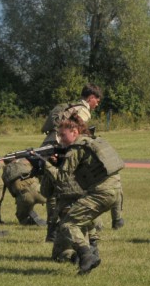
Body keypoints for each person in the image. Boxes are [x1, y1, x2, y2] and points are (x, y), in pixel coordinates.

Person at [40, 83, 125, 242]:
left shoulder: (70, 106)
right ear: (91, 98)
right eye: (97, 100)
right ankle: (89, 230)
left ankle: (53, 230)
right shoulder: (83, 110)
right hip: (64, 148)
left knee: (53, 190)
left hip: (50, 146)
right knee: (72, 188)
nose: (97, 104)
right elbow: (77, 133)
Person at [40, 116, 124, 275]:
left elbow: (61, 178)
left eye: (63, 135)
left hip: (101, 192)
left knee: (68, 225)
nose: (60, 140)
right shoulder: (91, 141)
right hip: (114, 190)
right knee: (78, 222)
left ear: (74, 132)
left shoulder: (77, 148)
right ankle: (88, 255)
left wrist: (45, 163)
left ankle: (87, 255)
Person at [1, 158, 47, 226]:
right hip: (40, 192)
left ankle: (30, 221)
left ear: (5, 163)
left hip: (25, 196)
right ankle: (54, 219)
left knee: (22, 216)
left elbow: (10, 192)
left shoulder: (5, 173)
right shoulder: (26, 164)